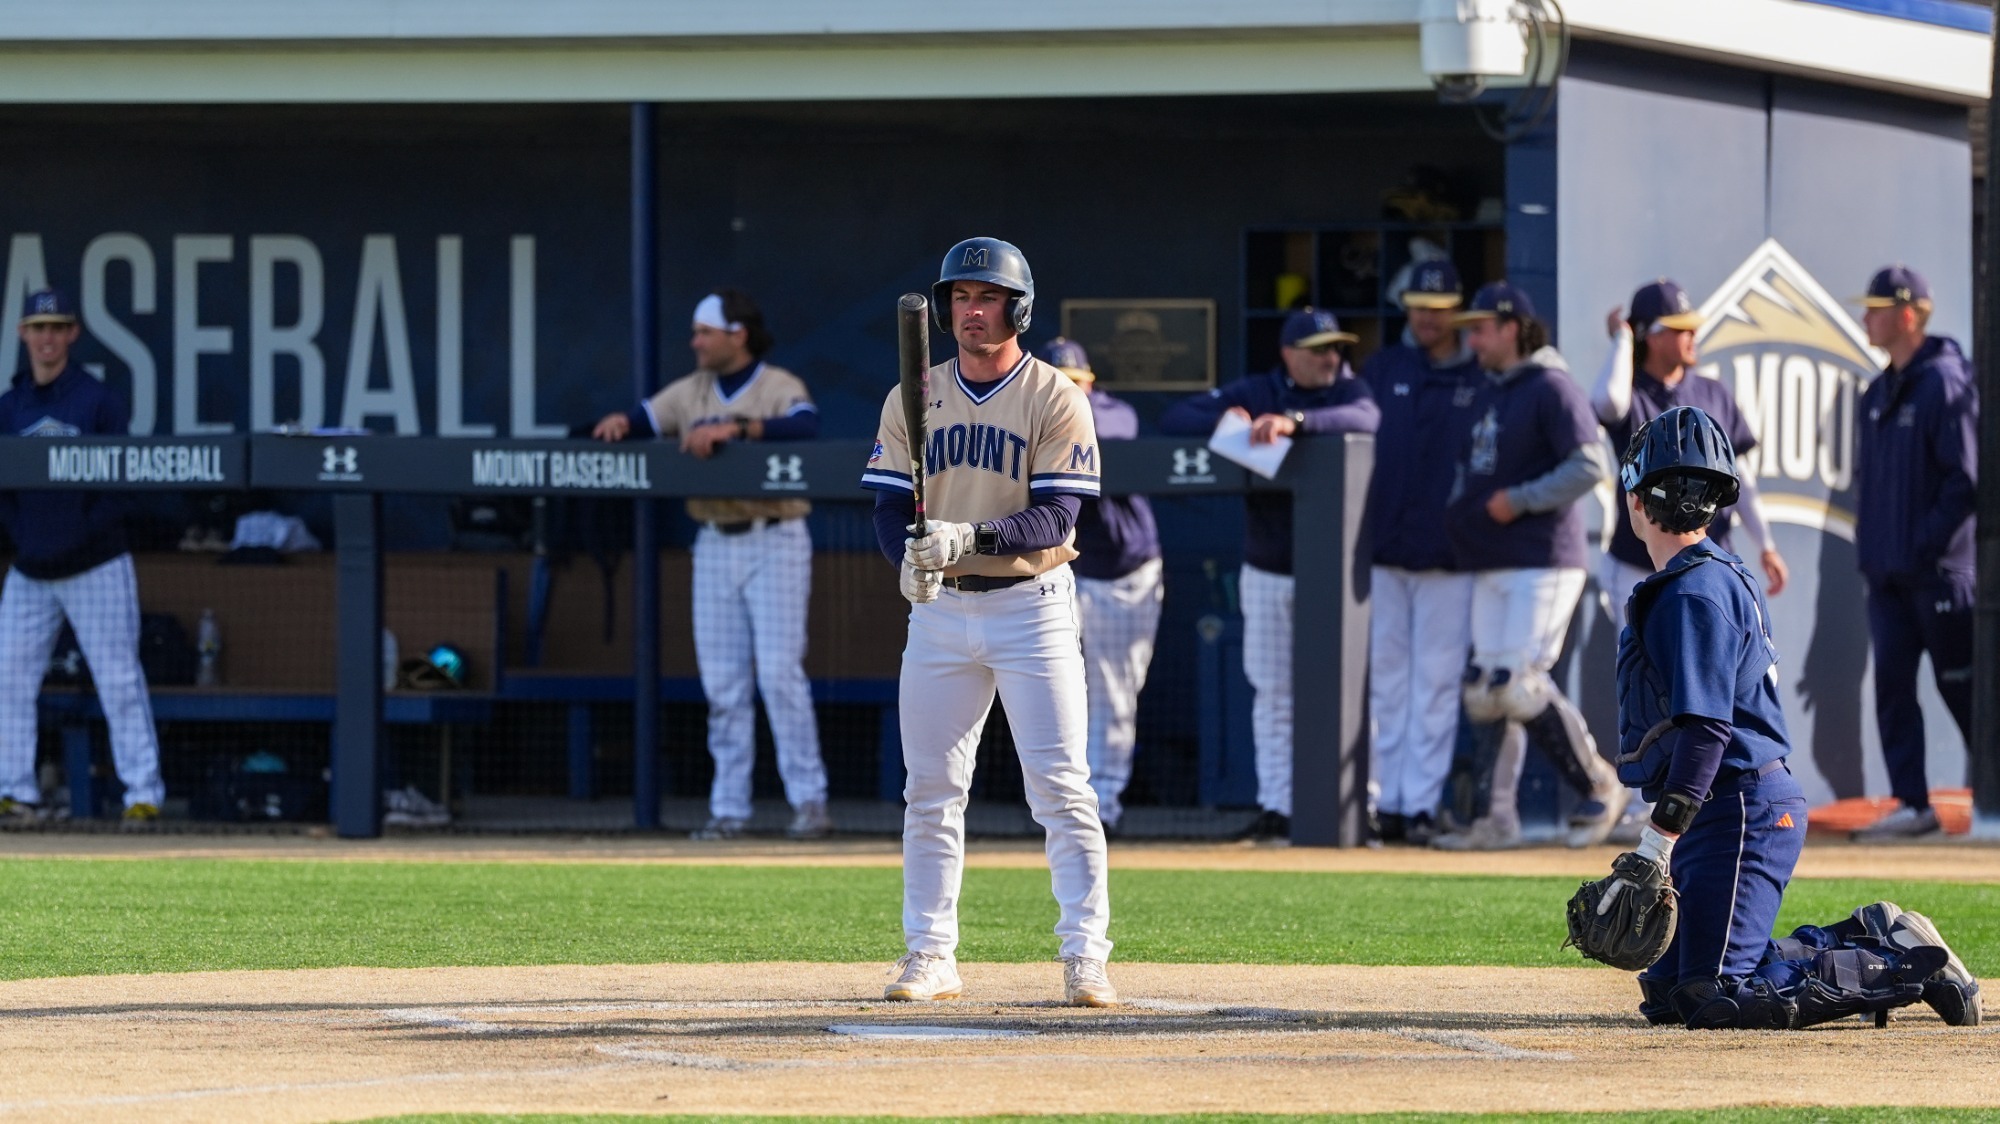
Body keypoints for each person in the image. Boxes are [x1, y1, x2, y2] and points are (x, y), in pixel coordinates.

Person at [1608, 405, 1978, 1029]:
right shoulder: (1711, 576)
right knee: (1671, 995)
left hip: (1741, 808)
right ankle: (1869, 932)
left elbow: (1706, 730)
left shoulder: (1692, 590)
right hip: (1726, 804)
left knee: (1718, 995)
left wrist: (1656, 839)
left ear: (1636, 501)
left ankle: (1897, 955)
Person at [862, 237, 1115, 1007]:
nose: (973, 312)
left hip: (1030, 608)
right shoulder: (914, 391)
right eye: (962, 299)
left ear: (1018, 308)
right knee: (932, 789)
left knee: (1061, 788)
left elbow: (1058, 515)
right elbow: (885, 504)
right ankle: (930, 952)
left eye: (989, 298)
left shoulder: (1053, 395)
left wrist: (970, 538)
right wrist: (903, 560)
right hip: (940, 612)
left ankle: (1084, 955)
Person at [593, 289, 832, 842]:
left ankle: (810, 801)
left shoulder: (777, 385)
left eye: (705, 332)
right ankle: (729, 809)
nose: (695, 342)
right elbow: (642, 419)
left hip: (774, 538)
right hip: (715, 543)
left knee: (778, 675)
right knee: (723, 687)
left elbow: (805, 426)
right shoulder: (692, 389)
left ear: (737, 334)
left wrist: (738, 428)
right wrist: (617, 425)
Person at [1159, 308, 1380, 841]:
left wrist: (1295, 424)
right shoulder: (1261, 388)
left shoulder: (1346, 391)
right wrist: (1232, 422)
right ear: (1289, 354)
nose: (1331, 357)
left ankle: (1362, 807)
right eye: (1319, 348)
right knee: (1273, 691)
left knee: (1350, 692)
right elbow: (1176, 417)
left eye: (1336, 347)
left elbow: (1367, 418)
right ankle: (1277, 806)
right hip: (1269, 567)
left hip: (1336, 573)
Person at [1591, 277, 1788, 843]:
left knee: (1698, 686)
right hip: (1637, 562)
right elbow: (1607, 404)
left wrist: (1766, 539)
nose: (1692, 335)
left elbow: (1741, 479)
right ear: (1648, 335)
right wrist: (1619, 344)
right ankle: (1647, 801)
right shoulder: (1633, 385)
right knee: (1645, 683)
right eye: (1677, 329)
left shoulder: (1713, 390)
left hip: (1699, 561)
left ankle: (1693, 798)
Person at [1434, 281, 1624, 851]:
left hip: (1543, 557)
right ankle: (1496, 820)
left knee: (1517, 682)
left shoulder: (1551, 384)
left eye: (1482, 328)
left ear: (1512, 327)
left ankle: (1597, 782)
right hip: (1493, 557)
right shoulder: (1492, 389)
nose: (1472, 338)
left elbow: (1591, 465)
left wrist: (1519, 499)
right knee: (1485, 689)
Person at [0, 288, 165, 825]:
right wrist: (25, 540)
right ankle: (16, 792)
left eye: (57, 328)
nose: (46, 338)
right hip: (31, 570)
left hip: (95, 565)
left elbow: (121, 487)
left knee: (118, 678)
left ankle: (142, 793)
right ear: (23, 333)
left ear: (72, 334)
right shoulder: (11, 406)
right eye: (37, 328)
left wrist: (76, 537)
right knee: (9, 679)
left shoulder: (97, 400)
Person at [1847, 266, 1977, 841]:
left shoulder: (1946, 382)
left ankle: (1993, 800)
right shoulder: (1876, 392)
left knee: (1966, 692)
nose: (1865, 318)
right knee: (1893, 692)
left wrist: (1923, 545)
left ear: (1906, 314)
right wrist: (1880, 553)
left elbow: (1965, 479)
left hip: (1941, 577)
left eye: (1875, 308)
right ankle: (1913, 803)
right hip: (1889, 578)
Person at [1359, 260, 1482, 846]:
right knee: (1385, 682)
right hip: (1385, 549)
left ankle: (1420, 805)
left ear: (1457, 310)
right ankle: (1381, 804)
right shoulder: (1385, 367)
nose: (1427, 317)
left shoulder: (1479, 375)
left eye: (1438, 307)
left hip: (1450, 557)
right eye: (1418, 306)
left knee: (1435, 683)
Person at [1043, 338, 1162, 835]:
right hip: (1061, 568)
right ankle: (1064, 805)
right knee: (1052, 691)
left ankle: (1103, 805)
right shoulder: (1025, 414)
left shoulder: (1112, 412)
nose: (1070, 392)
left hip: (1123, 570)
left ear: (1091, 382)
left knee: (1113, 695)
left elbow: (1108, 432)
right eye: (1058, 384)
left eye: (1077, 383)